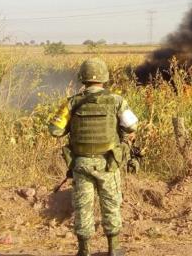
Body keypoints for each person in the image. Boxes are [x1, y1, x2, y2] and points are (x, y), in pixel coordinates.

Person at [49, 58, 139, 256]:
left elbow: (55, 130)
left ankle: (84, 250)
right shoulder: (116, 101)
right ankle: (114, 249)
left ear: (82, 78)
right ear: (105, 78)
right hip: (108, 163)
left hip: (81, 164)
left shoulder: (72, 103)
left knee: (82, 207)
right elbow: (132, 126)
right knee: (111, 205)